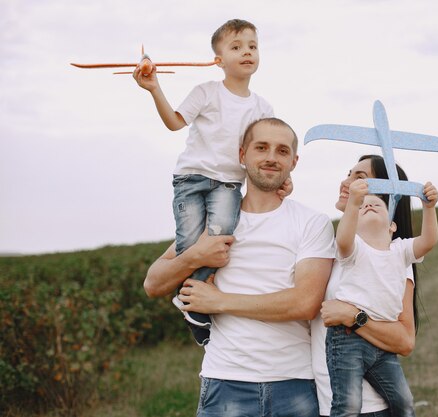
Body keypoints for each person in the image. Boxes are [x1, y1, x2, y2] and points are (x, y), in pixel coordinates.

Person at [143, 117, 335, 417]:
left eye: (282, 151)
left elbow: (305, 303)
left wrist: (220, 301)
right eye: (262, 147)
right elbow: (152, 284)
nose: (272, 157)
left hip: (293, 383)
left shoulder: (312, 222)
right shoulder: (213, 221)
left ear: (294, 162)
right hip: (225, 382)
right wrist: (195, 257)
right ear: (242, 155)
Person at [133, 19, 274, 345]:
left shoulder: (262, 107)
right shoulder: (206, 92)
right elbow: (174, 123)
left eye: (252, 46)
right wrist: (155, 88)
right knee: (190, 244)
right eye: (236, 47)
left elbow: (261, 153)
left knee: (220, 238)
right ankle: (195, 301)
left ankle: (190, 300)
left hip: (228, 184)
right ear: (218, 59)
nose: (247, 52)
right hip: (191, 179)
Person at [312, 155, 422, 417]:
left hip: (369, 409)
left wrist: (354, 317)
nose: (346, 182)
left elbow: (405, 340)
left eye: (360, 178)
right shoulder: (327, 243)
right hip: (323, 399)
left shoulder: (391, 258)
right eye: (349, 173)